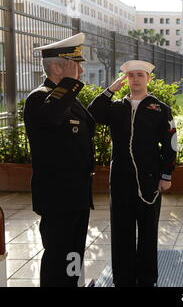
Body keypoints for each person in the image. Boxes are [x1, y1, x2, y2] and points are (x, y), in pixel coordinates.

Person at [88, 60, 177, 287]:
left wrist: (166, 175)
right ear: (125, 79)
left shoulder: (159, 108)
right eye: (131, 75)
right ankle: (124, 279)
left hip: (148, 179)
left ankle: (147, 279)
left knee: (148, 232)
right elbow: (92, 114)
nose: (135, 79)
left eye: (140, 75)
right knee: (121, 231)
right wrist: (110, 90)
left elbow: (170, 144)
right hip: (120, 179)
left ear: (148, 78)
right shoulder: (115, 107)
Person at [23, 33, 95, 287]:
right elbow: (52, 115)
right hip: (57, 196)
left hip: (77, 193)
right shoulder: (39, 98)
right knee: (57, 254)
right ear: (56, 66)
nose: (81, 70)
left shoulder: (66, 99)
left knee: (74, 251)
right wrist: (69, 83)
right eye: (76, 64)